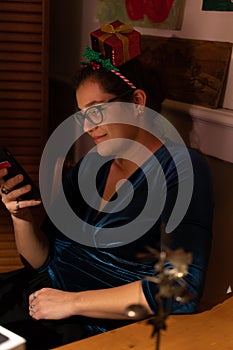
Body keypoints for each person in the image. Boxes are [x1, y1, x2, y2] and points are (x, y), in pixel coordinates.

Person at [0, 44, 214, 350]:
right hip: (43, 294)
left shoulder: (181, 169)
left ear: (138, 102)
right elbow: (42, 260)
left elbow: (180, 289)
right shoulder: (92, 166)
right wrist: (20, 217)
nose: (87, 127)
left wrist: (73, 303)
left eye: (97, 110)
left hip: (92, 320)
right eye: (82, 115)